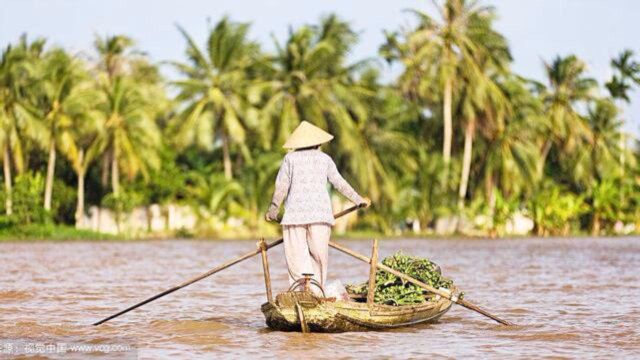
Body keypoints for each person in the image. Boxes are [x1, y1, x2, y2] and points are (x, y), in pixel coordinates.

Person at [265, 121, 370, 292]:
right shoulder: (324, 159)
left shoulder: (289, 159)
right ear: (318, 143)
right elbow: (339, 183)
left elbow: (281, 187)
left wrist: (273, 211)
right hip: (320, 216)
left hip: (294, 217)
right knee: (319, 257)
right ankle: (317, 292)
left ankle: (299, 293)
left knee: (296, 258)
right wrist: (358, 200)